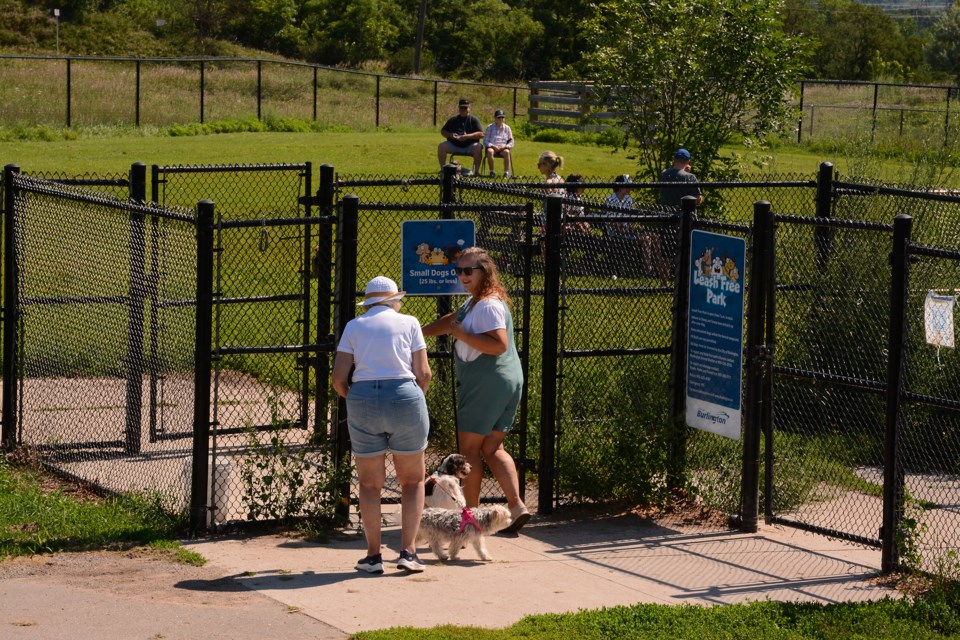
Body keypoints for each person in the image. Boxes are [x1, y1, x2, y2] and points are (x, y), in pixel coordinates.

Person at [421, 247, 530, 534]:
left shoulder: (488, 306)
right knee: (492, 447)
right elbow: (451, 321)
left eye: (469, 271)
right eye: (459, 270)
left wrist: (462, 335)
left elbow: (498, 344)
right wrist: (418, 332)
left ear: (485, 271)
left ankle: (470, 519)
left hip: (487, 381)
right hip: (506, 381)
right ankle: (516, 506)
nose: (462, 276)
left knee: (469, 451)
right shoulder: (475, 303)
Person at [332, 276, 433, 574]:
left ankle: (373, 556)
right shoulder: (410, 322)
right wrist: (413, 399)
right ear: (393, 300)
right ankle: (408, 552)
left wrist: (354, 398)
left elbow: (339, 377)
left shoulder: (354, 326)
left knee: (369, 483)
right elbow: (423, 373)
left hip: (362, 397)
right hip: (405, 395)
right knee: (412, 480)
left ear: (369, 302)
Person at [438, 98, 484, 176]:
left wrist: (467, 136)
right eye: (461, 107)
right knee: (441, 146)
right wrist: (450, 135)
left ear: (469, 108)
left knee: (478, 147)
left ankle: (475, 172)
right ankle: (443, 170)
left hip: (469, 146)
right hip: (454, 145)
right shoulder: (453, 119)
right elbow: (443, 131)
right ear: (458, 108)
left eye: (465, 108)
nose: (463, 109)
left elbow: (481, 134)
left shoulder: (473, 119)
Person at [483, 109, 514, 179]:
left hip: (503, 148)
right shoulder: (490, 127)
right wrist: (493, 146)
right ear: (495, 118)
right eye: (499, 117)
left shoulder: (507, 128)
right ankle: (492, 172)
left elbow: (511, 141)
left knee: (507, 152)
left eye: (502, 117)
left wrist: (506, 146)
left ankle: (506, 173)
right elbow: (485, 140)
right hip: (492, 147)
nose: (501, 119)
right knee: (489, 151)